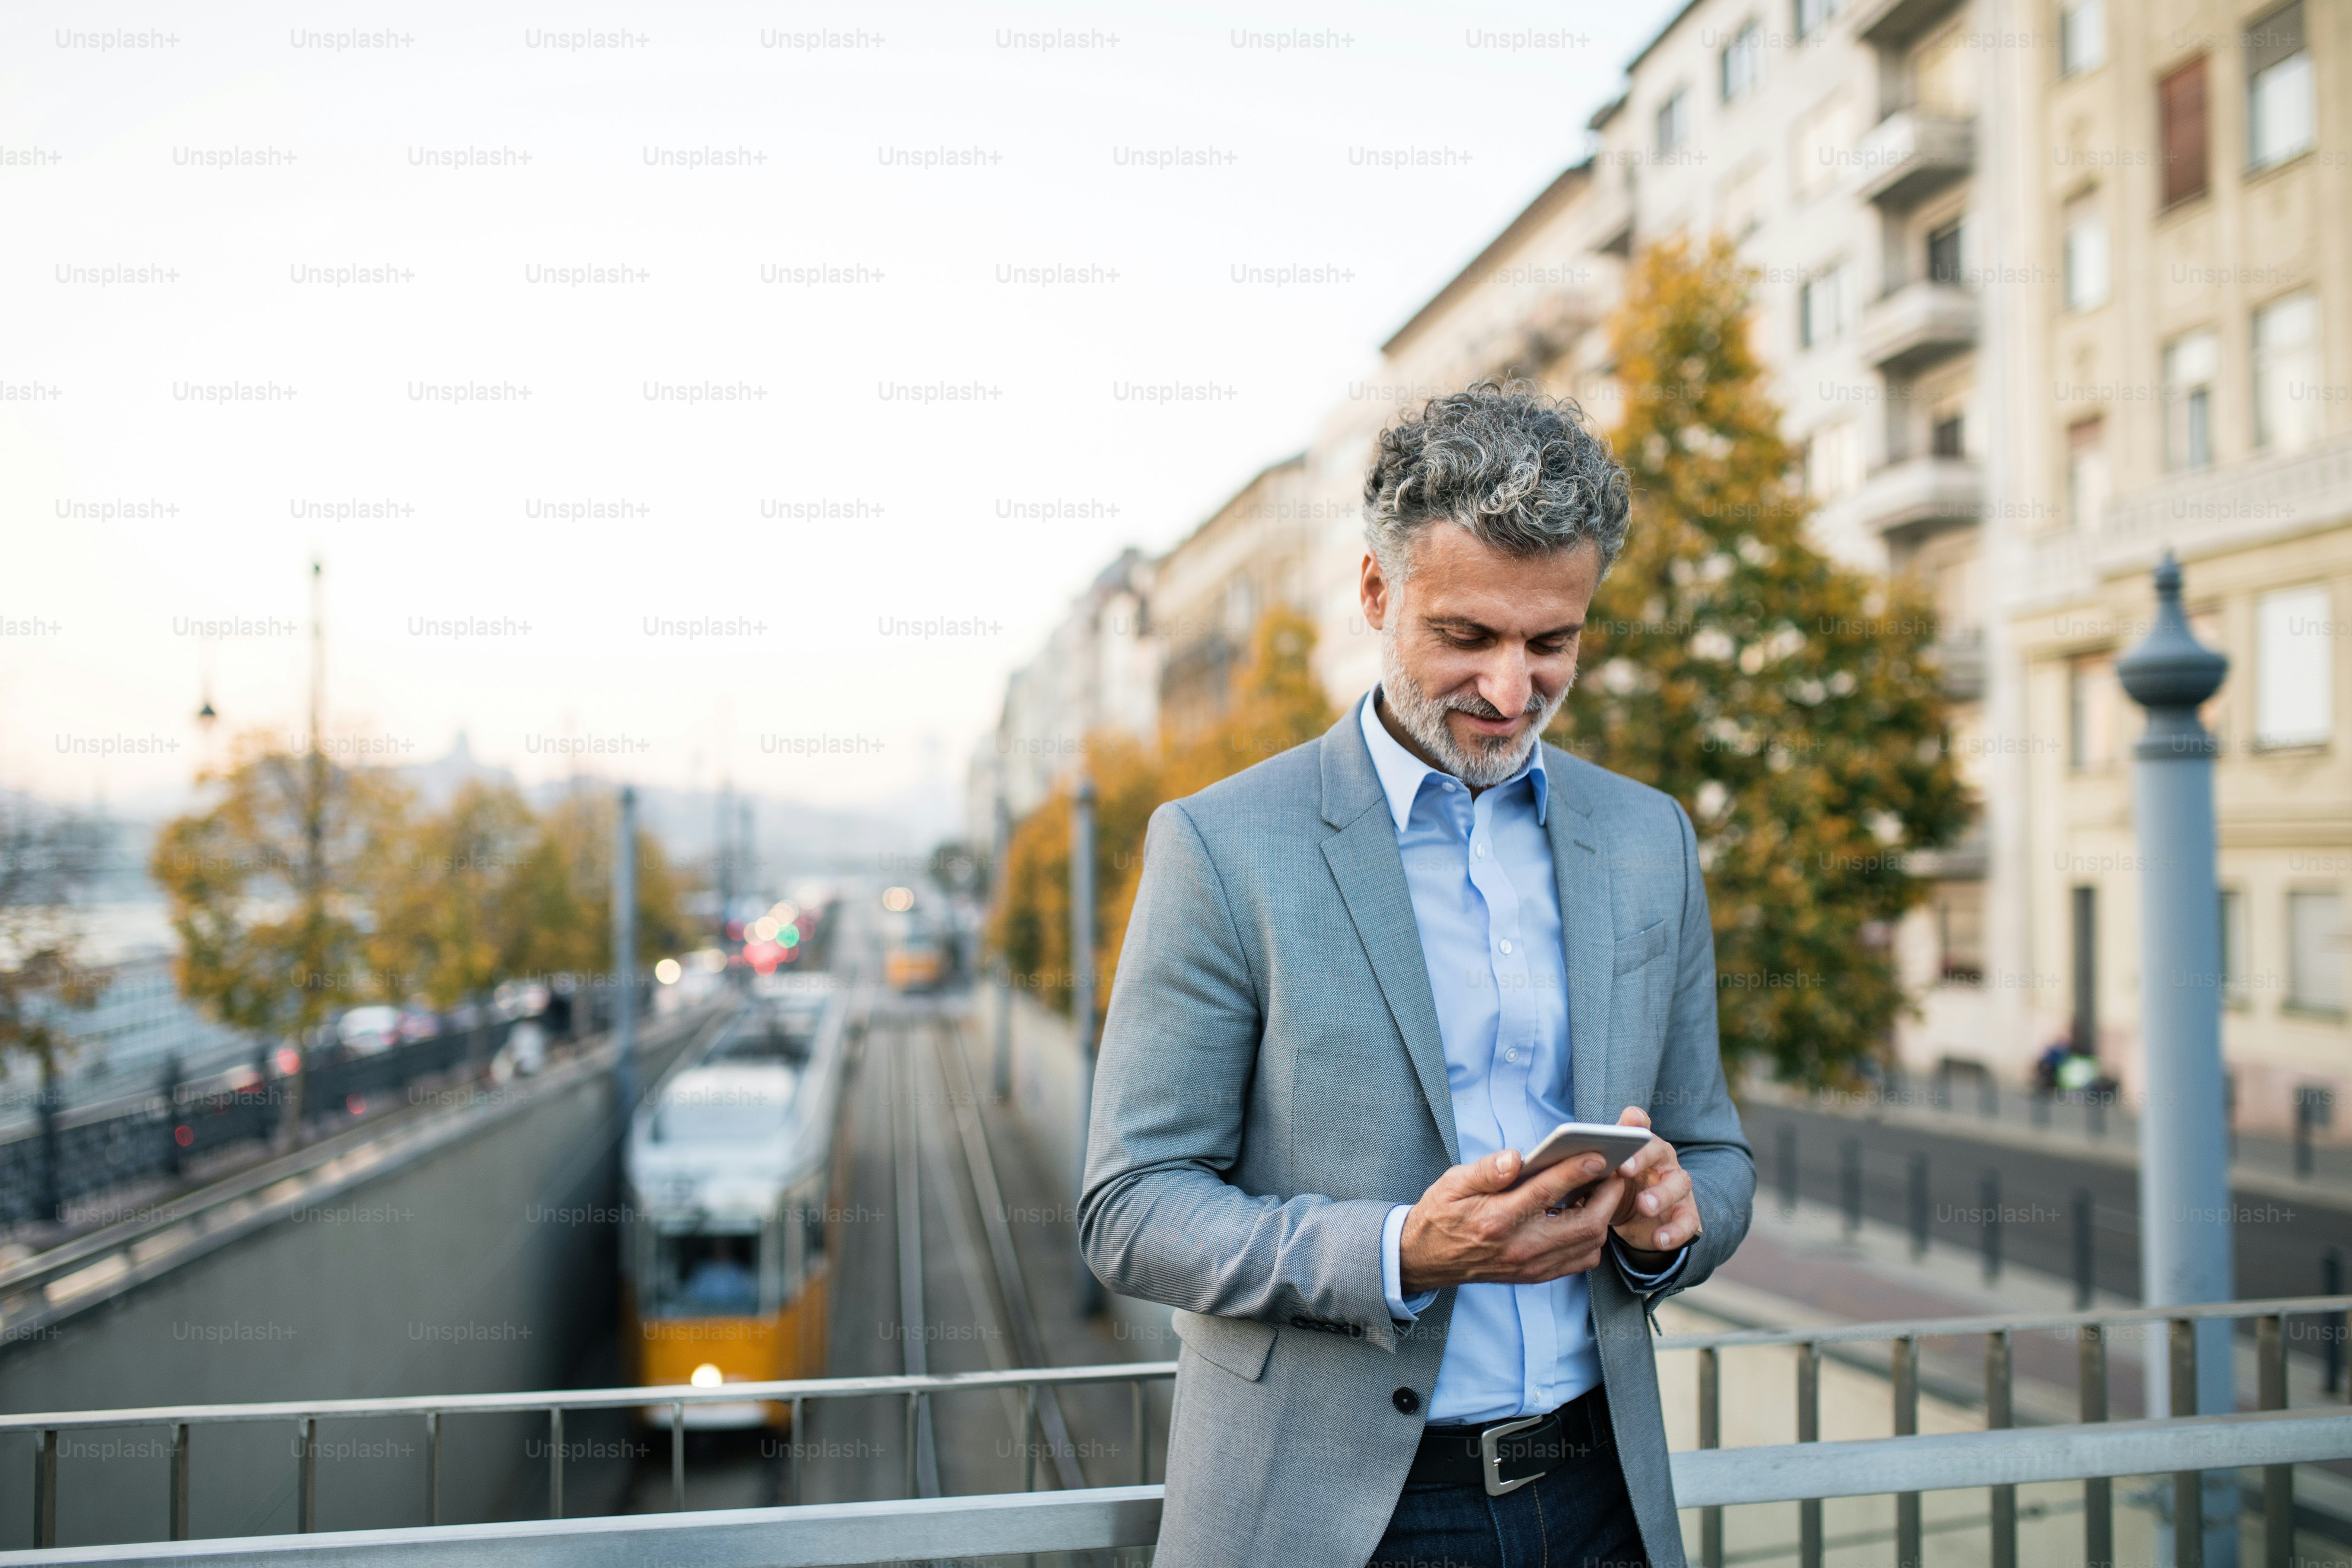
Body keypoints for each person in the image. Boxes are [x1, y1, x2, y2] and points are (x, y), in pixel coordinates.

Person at [1080, 385, 1756, 1568]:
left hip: (1600, 1500)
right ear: (1375, 593)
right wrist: (1403, 1252)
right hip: (1334, 1522)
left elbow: (1716, 1152)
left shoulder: (1649, 837)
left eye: (1551, 644)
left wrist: (1667, 1228)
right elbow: (1130, 1208)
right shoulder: (1222, 845)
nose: (1511, 692)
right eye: (1468, 637)